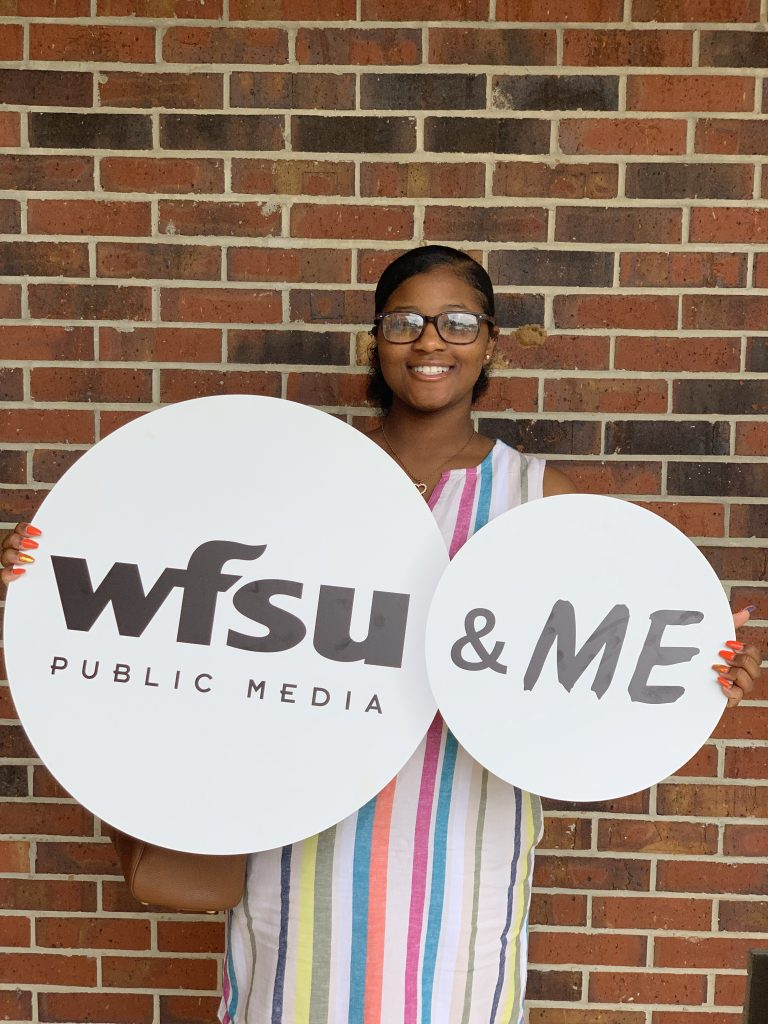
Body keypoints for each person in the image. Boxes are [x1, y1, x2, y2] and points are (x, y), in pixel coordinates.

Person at [1, 245, 761, 1023]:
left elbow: (611, 651)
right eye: (406, 321)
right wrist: (46, 569)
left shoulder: (536, 497)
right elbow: (177, 581)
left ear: (491, 343)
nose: (431, 341)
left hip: (463, 852)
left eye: (458, 322)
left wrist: (704, 668)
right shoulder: (311, 476)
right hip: (302, 842)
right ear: (376, 340)